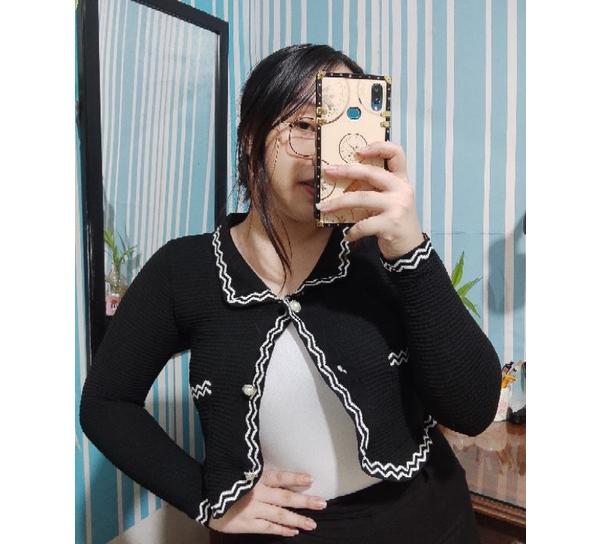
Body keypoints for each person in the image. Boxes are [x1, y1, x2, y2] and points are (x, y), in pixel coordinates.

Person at [80, 43, 501, 543]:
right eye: (303, 125)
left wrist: (411, 252)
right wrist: (204, 499)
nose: (323, 152)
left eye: (341, 125)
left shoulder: (382, 255)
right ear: (250, 138)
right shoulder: (185, 270)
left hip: (426, 522)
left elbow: (473, 411)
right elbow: (106, 403)